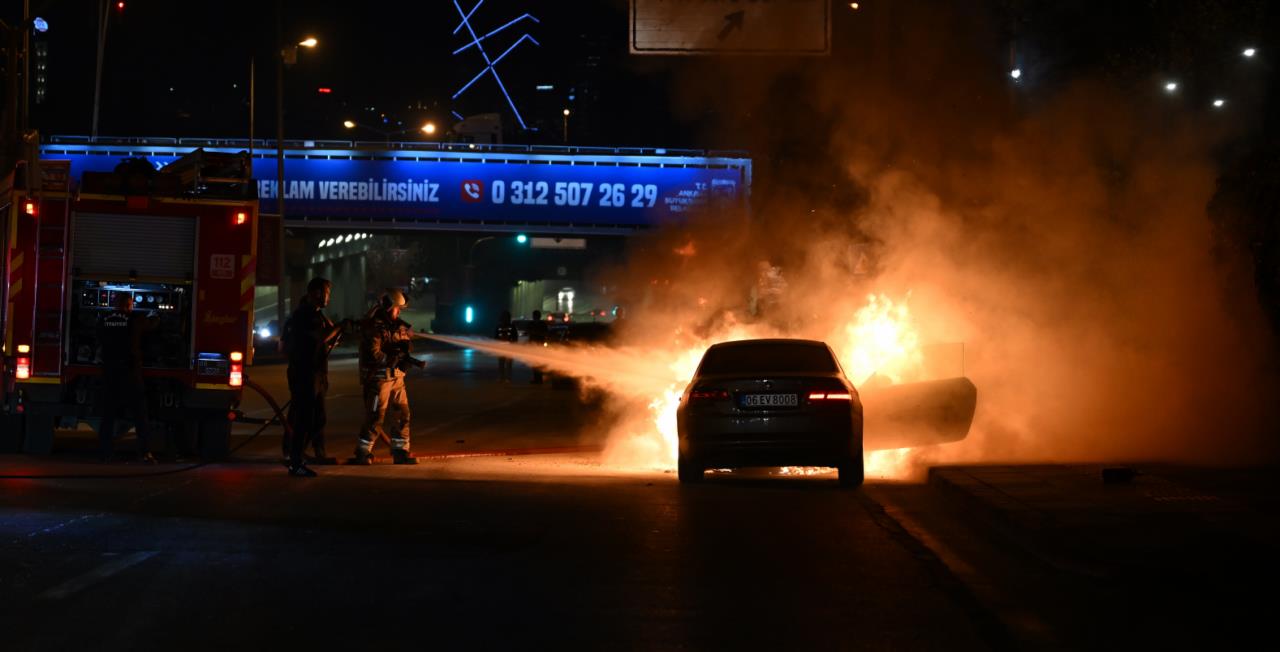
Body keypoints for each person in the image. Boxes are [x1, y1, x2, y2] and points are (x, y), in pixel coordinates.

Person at [283, 277, 345, 477]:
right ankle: (295, 460)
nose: (329, 297)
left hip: (317, 373)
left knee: (318, 418)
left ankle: (302, 455)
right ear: (317, 293)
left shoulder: (317, 315)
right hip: (305, 373)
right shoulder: (303, 315)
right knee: (303, 418)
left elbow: (322, 341)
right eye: (327, 293)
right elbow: (319, 337)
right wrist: (339, 327)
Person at [353, 288, 419, 465]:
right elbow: (373, 353)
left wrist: (405, 355)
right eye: (397, 308)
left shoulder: (398, 326)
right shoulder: (374, 327)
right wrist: (390, 358)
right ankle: (363, 451)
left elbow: (406, 344)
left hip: (397, 378)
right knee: (375, 416)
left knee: (402, 414)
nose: (399, 312)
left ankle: (400, 451)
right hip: (379, 379)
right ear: (389, 307)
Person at [97, 292, 159, 463]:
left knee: (108, 414)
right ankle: (144, 452)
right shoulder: (135, 320)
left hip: (110, 373)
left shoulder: (104, 319)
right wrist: (155, 315)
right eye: (131, 305)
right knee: (140, 414)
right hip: (130, 373)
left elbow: (99, 337)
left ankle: (105, 453)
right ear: (128, 305)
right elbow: (152, 325)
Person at [494, 310, 518, 382]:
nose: (505, 318)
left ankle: (508, 378)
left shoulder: (512, 326)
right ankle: (502, 377)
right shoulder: (499, 326)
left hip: (509, 348)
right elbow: (496, 337)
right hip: (501, 348)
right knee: (501, 363)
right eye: (504, 317)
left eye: (506, 317)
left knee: (508, 364)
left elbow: (515, 337)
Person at [526, 309, 549, 384]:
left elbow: (529, 333)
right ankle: (537, 378)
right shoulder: (542, 324)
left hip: (537, 346)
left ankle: (538, 379)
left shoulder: (533, 324)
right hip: (538, 346)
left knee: (537, 363)